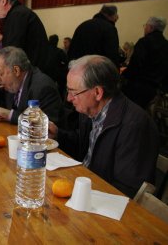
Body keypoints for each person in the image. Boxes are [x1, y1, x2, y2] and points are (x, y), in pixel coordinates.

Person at [49, 55, 159, 198]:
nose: (69, 98)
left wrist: (81, 192)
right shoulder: (91, 110)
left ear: (98, 92)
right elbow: (84, 147)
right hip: (84, 187)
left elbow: (127, 190)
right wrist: (58, 134)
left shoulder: (135, 125)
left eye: (73, 92)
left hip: (104, 203)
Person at [0, 46, 62, 125]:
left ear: (16, 70)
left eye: (0, 73)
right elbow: (4, 97)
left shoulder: (43, 87)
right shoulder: (15, 82)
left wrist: (10, 115)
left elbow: (46, 125)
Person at [0, 0, 49, 73]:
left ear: (3, 0)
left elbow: (11, 54)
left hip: (32, 76)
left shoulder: (17, 15)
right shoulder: (18, 13)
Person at [122, 16, 168, 109]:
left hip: (138, 87)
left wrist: (124, 75)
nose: (145, 28)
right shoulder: (166, 44)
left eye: (145, 26)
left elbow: (135, 65)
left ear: (151, 28)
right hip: (156, 89)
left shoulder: (144, 42)